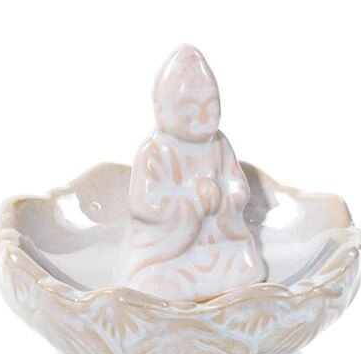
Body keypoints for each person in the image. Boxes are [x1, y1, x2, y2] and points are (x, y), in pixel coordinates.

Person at [113, 45, 267, 301]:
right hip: (165, 250)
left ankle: (221, 279)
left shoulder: (219, 145)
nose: (204, 117)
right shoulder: (154, 151)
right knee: (154, 285)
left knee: (244, 265)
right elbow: (144, 205)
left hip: (216, 243)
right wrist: (194, 201)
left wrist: (223, 197)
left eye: (211, 107)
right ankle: (161, 284)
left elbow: (238, 187)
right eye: (191, 109)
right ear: (160, 111)